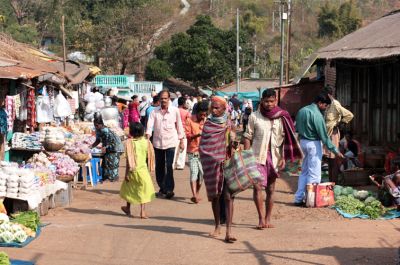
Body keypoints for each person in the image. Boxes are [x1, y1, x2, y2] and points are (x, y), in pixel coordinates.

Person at [243, 89, 302, 229]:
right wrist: (247, 156)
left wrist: (283, 157)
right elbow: (247, 136)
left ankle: (268, 218)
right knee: (257, 187)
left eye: (272, 101)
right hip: (257, 157)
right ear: (262, 101)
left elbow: (287, 139)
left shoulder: (283, 117)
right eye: (266, 101)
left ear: (276, 101)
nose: (269, 104)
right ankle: (260, 219)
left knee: (270, 189)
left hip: (275, 158)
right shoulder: (254, 117)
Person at [294, 93, 344, 206]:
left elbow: (296, 128)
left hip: (302, 142)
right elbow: (324, 136)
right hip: (313, 144)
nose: (325, 108)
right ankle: (311, 200)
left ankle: (298, 198)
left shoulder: (302, 110)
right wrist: (335, 150)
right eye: (325, 105)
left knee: (304, 172)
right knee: (315, 173)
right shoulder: (317, 115)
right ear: (320, 103)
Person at [199, 96, 237, 243]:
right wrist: (212, 157)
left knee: (228, 196)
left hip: (226, 163)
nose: (214, 111)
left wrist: (233, 142)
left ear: (224, 109)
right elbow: (203, 147)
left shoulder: (229, 123)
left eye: (217, 108)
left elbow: (233, 144)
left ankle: (229, 231)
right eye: (212, 108)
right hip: (212, 165)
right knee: (215, 196)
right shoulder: (208, 124)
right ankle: (217, 226)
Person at [146, 90, 185, 199]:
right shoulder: (154, 112)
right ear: (159, 99)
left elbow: (179, 126)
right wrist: (147, 136)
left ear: (169, 99)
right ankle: (162, 188)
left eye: (165, 98)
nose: (163, 100)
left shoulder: (175, 111)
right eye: (162, 98)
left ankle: (169, 189)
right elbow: (149, 125)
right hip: (157, 142)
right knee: (159, 166)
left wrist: (181, 140)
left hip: (171, 142)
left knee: (169, 166)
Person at [120, 122, 156, 218]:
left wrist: (126, 174)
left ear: (131, 132)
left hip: (132, 171)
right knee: (143, 190)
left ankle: (128, 208)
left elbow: (129, 161)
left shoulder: (129, 143)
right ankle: (142, 212)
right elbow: (150, 157)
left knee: (129, 189)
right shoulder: (146, 142)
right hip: (143, 171)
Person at [322, 85, 354, 183]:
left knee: (333, 159)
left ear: (328, 95)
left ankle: (333, 183)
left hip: (333, 134)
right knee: (329, 159)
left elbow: (349, 115)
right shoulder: (328, 105)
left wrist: (340, 124)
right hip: (327, 135)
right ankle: (330, 181)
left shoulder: (335, 104)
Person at [186, 101, 208, 203]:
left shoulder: (206, 122)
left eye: (205, 114)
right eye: (201, 114)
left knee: (202, 175)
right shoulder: (190, 121)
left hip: (203, 153)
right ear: (197, 112)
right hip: (193, 151)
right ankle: (194, 194)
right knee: (194, 173)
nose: (203, 116)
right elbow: (187, 135)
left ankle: (197, 193)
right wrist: (197, 135)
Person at [91, 113, 123, 182]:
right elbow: (98, 140)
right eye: (95, 125)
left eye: (97, 125)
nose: (96, 127)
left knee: (113, 162)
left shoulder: (105, 131)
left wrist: (106, 147)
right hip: (108, 147)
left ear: (101, 124)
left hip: (115, 147)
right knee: (106, 161)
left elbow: (112, 142)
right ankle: (106, 177)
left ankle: (114, 177)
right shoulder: (98, 130)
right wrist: (91, 146)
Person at [174, 97, 190, 170]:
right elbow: (188, 122)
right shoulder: (186, 112)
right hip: (183, 130)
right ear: (183, 103)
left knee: (174, 147)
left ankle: (171, 163)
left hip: (174, 129)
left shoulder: (174, 110)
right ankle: (180, 165)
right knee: (182, 148)